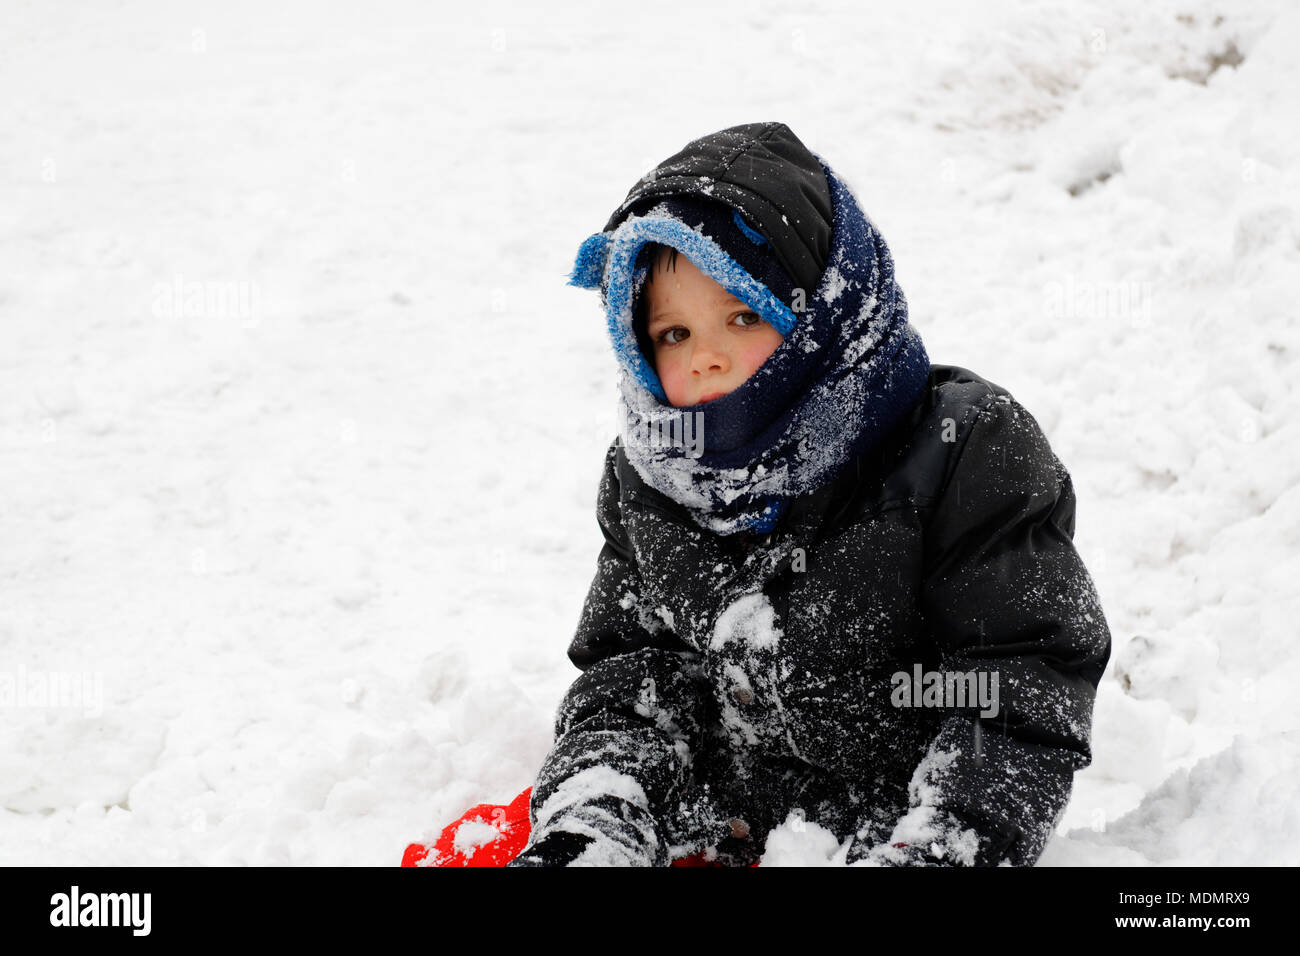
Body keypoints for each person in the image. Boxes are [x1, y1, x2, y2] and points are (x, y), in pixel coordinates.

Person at [409, 121, 1112, 868]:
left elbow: (1015, 683)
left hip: (894, 823)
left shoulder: (962, 448)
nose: (705, 357)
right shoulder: (652, 477)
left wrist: (940, 842)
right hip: (725, 823)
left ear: (822, 318)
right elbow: (635, 676)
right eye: (673, 334)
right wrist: (602, 811)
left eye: (741, 316)